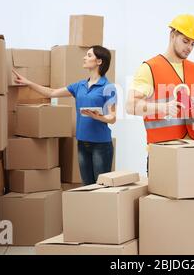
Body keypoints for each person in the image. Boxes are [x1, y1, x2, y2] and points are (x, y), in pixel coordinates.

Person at [12, 45, 116, 185]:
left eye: (89, 55)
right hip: (82, 143)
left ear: (99, 61)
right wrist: (29, 83)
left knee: (102, 188)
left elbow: (112, 117)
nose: (84, 57)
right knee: (87, 187)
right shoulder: (79, 86)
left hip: (101, 146)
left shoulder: (108, 88)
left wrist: (98, 117)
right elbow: (51, 93)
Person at [126, 14, 194, 149]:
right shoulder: (149, 68)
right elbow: (131, 106)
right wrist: (163, 108)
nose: (189, 48)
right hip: (162, 152)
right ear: (172, 36)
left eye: (193, 44)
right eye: (185, 41)